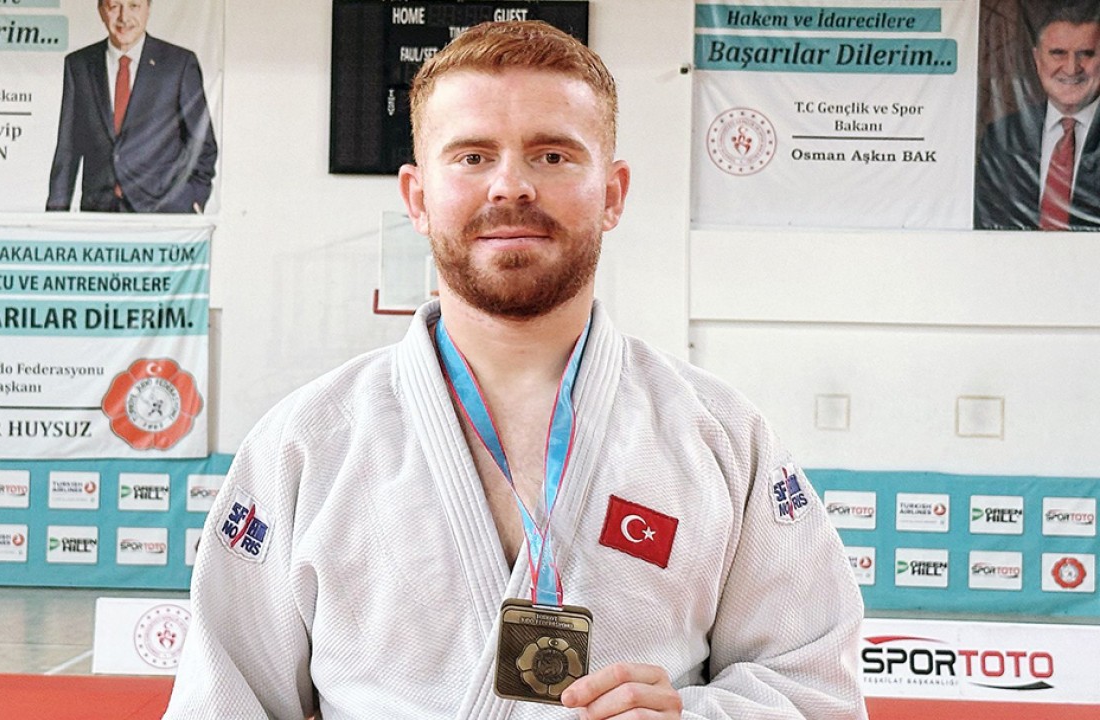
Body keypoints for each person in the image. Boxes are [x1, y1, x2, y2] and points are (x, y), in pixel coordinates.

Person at [165, 21, 866, 720]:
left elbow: (817, 693)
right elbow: (219, 704)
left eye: (552, 155)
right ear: (417, 198)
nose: (511, 186)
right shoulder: (306, 445)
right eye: (472, 156)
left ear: (613, 194)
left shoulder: (723, 438)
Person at [46, 0, 218, 213]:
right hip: (99, 212)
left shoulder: (178, 64)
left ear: (148, 9)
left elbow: (203, 144)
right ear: (101, 11)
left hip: (164, 211)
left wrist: (193, 199)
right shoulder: (79, 65)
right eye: (114, 6)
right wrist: (55, 216)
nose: (124, 17)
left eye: (134, 6)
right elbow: (68, 149)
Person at [975, 2, 1100, 230]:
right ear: (1037, 59)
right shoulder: (1001, 138)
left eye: (1086, 54)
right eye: (1058, 53)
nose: (1071, 68)